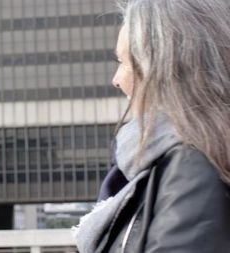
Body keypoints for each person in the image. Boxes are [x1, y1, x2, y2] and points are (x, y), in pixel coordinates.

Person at [75, 0, 230, 252]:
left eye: (124, 62)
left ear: (170, 67)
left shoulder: (191, 164)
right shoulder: (177, 161)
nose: (116, 80)